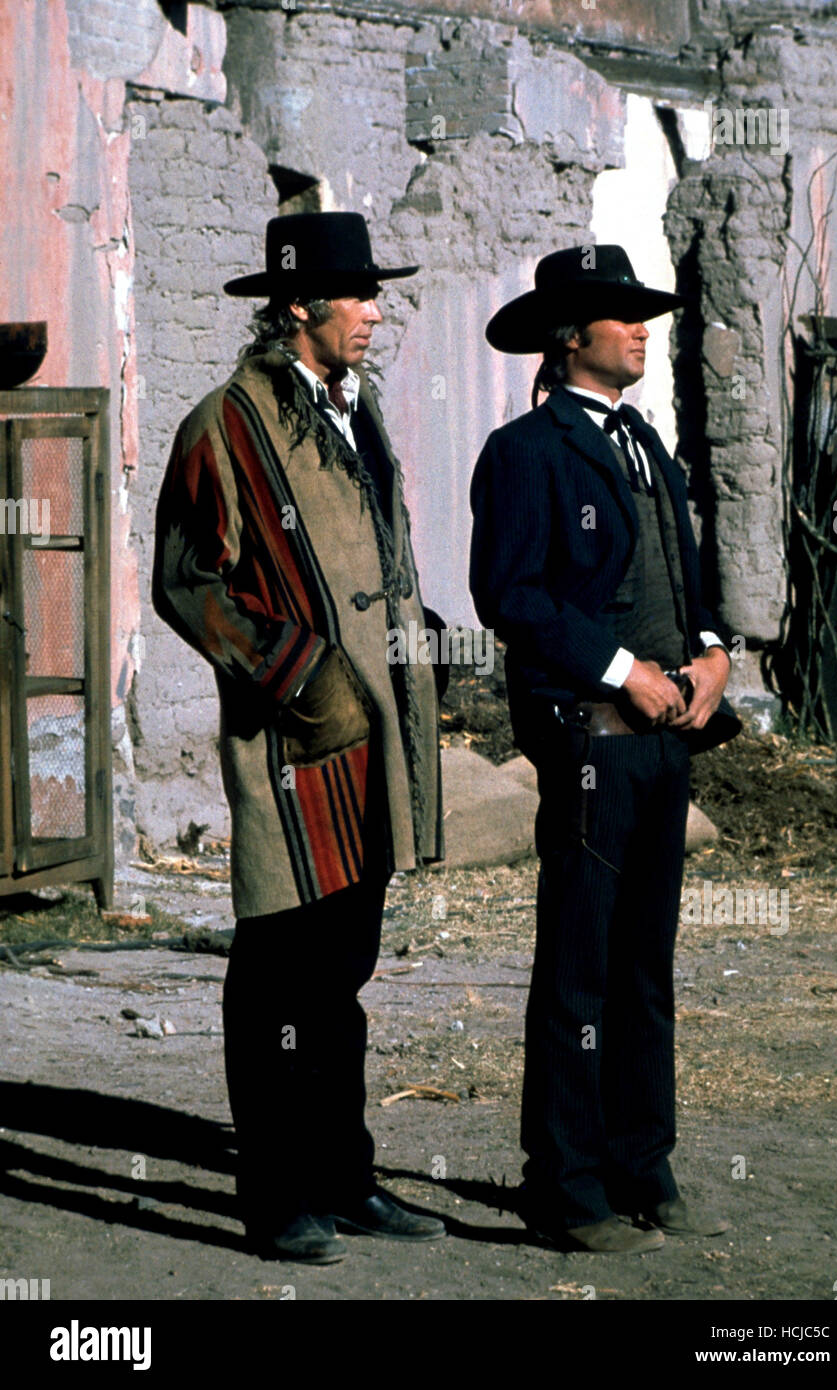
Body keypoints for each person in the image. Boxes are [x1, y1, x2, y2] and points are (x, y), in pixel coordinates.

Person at [153, 212, 446, 1264]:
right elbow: (185, 582)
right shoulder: (224, 425)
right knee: (278, 976)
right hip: (292, 753)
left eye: (374, 291)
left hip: (376, 749)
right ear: (297, 310)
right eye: (357, 293)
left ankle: (343, 1174)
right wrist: (301, 675)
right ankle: (279, 1195)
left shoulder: (351, 412)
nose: (375, 308)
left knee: (342, 973)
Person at [469, 244, 741, 1254]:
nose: (639, 328)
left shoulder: (652, 451)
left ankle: (642, 1159)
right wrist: (621, 666)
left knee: (644, 969)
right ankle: (568, 1184)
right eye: (616, 315)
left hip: (667, 747)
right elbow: (514, 598)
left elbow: (687, 583)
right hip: (590, 746)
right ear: (567, 336)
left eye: (641, 315)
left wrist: (711, 654)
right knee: (579, 970)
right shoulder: (524, 452)